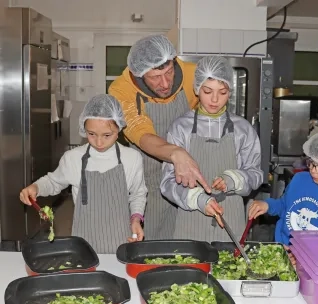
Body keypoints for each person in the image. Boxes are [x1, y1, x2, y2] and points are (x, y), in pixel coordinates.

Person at [109, 35, 211, 240]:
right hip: (148, 182)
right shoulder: (121, 90)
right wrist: (175, 152)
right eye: (155, 76)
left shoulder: (193, 75)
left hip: (187, 176)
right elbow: (141, 134)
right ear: (139, 74)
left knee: (188, 242)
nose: (165, 83)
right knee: (151, 244)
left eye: (169, 72)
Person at [19, 94, 148, 254]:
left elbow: (138, 193)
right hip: (83, 243)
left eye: (107, 135)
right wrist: (36, 187)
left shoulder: (132, 158)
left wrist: (136, 219)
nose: (99, 142)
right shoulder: (73, 158)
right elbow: (54, 182)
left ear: (119, 128)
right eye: (91, 134)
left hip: (122, 240)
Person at [160, 56, 263, 242]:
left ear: (230, 92)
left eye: (222, 92)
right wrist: (198, 199)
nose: (215, 99)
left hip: (231, 219)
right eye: (208, 91)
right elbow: (168, 183)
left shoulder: (243, 129)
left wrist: (234, 179)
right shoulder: (181, 127)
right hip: (191, 219)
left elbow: (256, 174)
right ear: (197, 89)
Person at [249, 131, 318, 248]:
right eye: (312, 163)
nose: (313, 170)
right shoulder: (300, 180)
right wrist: (268, 206)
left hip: (309, 261)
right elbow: (284, 205)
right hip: (280, 246)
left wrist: (300, 256)